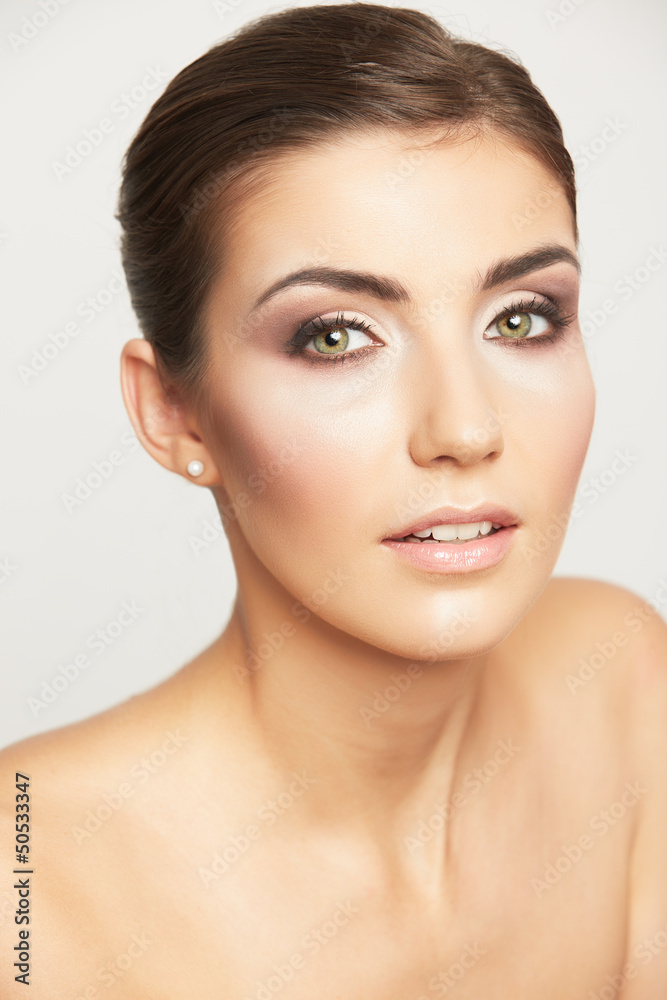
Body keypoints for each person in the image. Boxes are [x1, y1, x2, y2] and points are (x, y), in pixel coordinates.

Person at [2, 3, 666, 996]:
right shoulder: (27, 879)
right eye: (335, 336)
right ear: (175, 411)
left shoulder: (618, 674)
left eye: (522, 317)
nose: (464, 427)